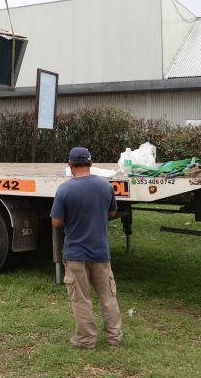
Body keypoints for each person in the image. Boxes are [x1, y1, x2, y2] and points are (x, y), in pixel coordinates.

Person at [50, 147, 122, 350]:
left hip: (75, 254)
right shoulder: (105, 186)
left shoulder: (64, 190)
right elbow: (112, 212)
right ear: (90, 163)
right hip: (100, 252)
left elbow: (56, 221)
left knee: (81, 299)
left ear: (70, 166)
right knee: (108, 296)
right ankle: (114, 338)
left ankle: (86, 340)